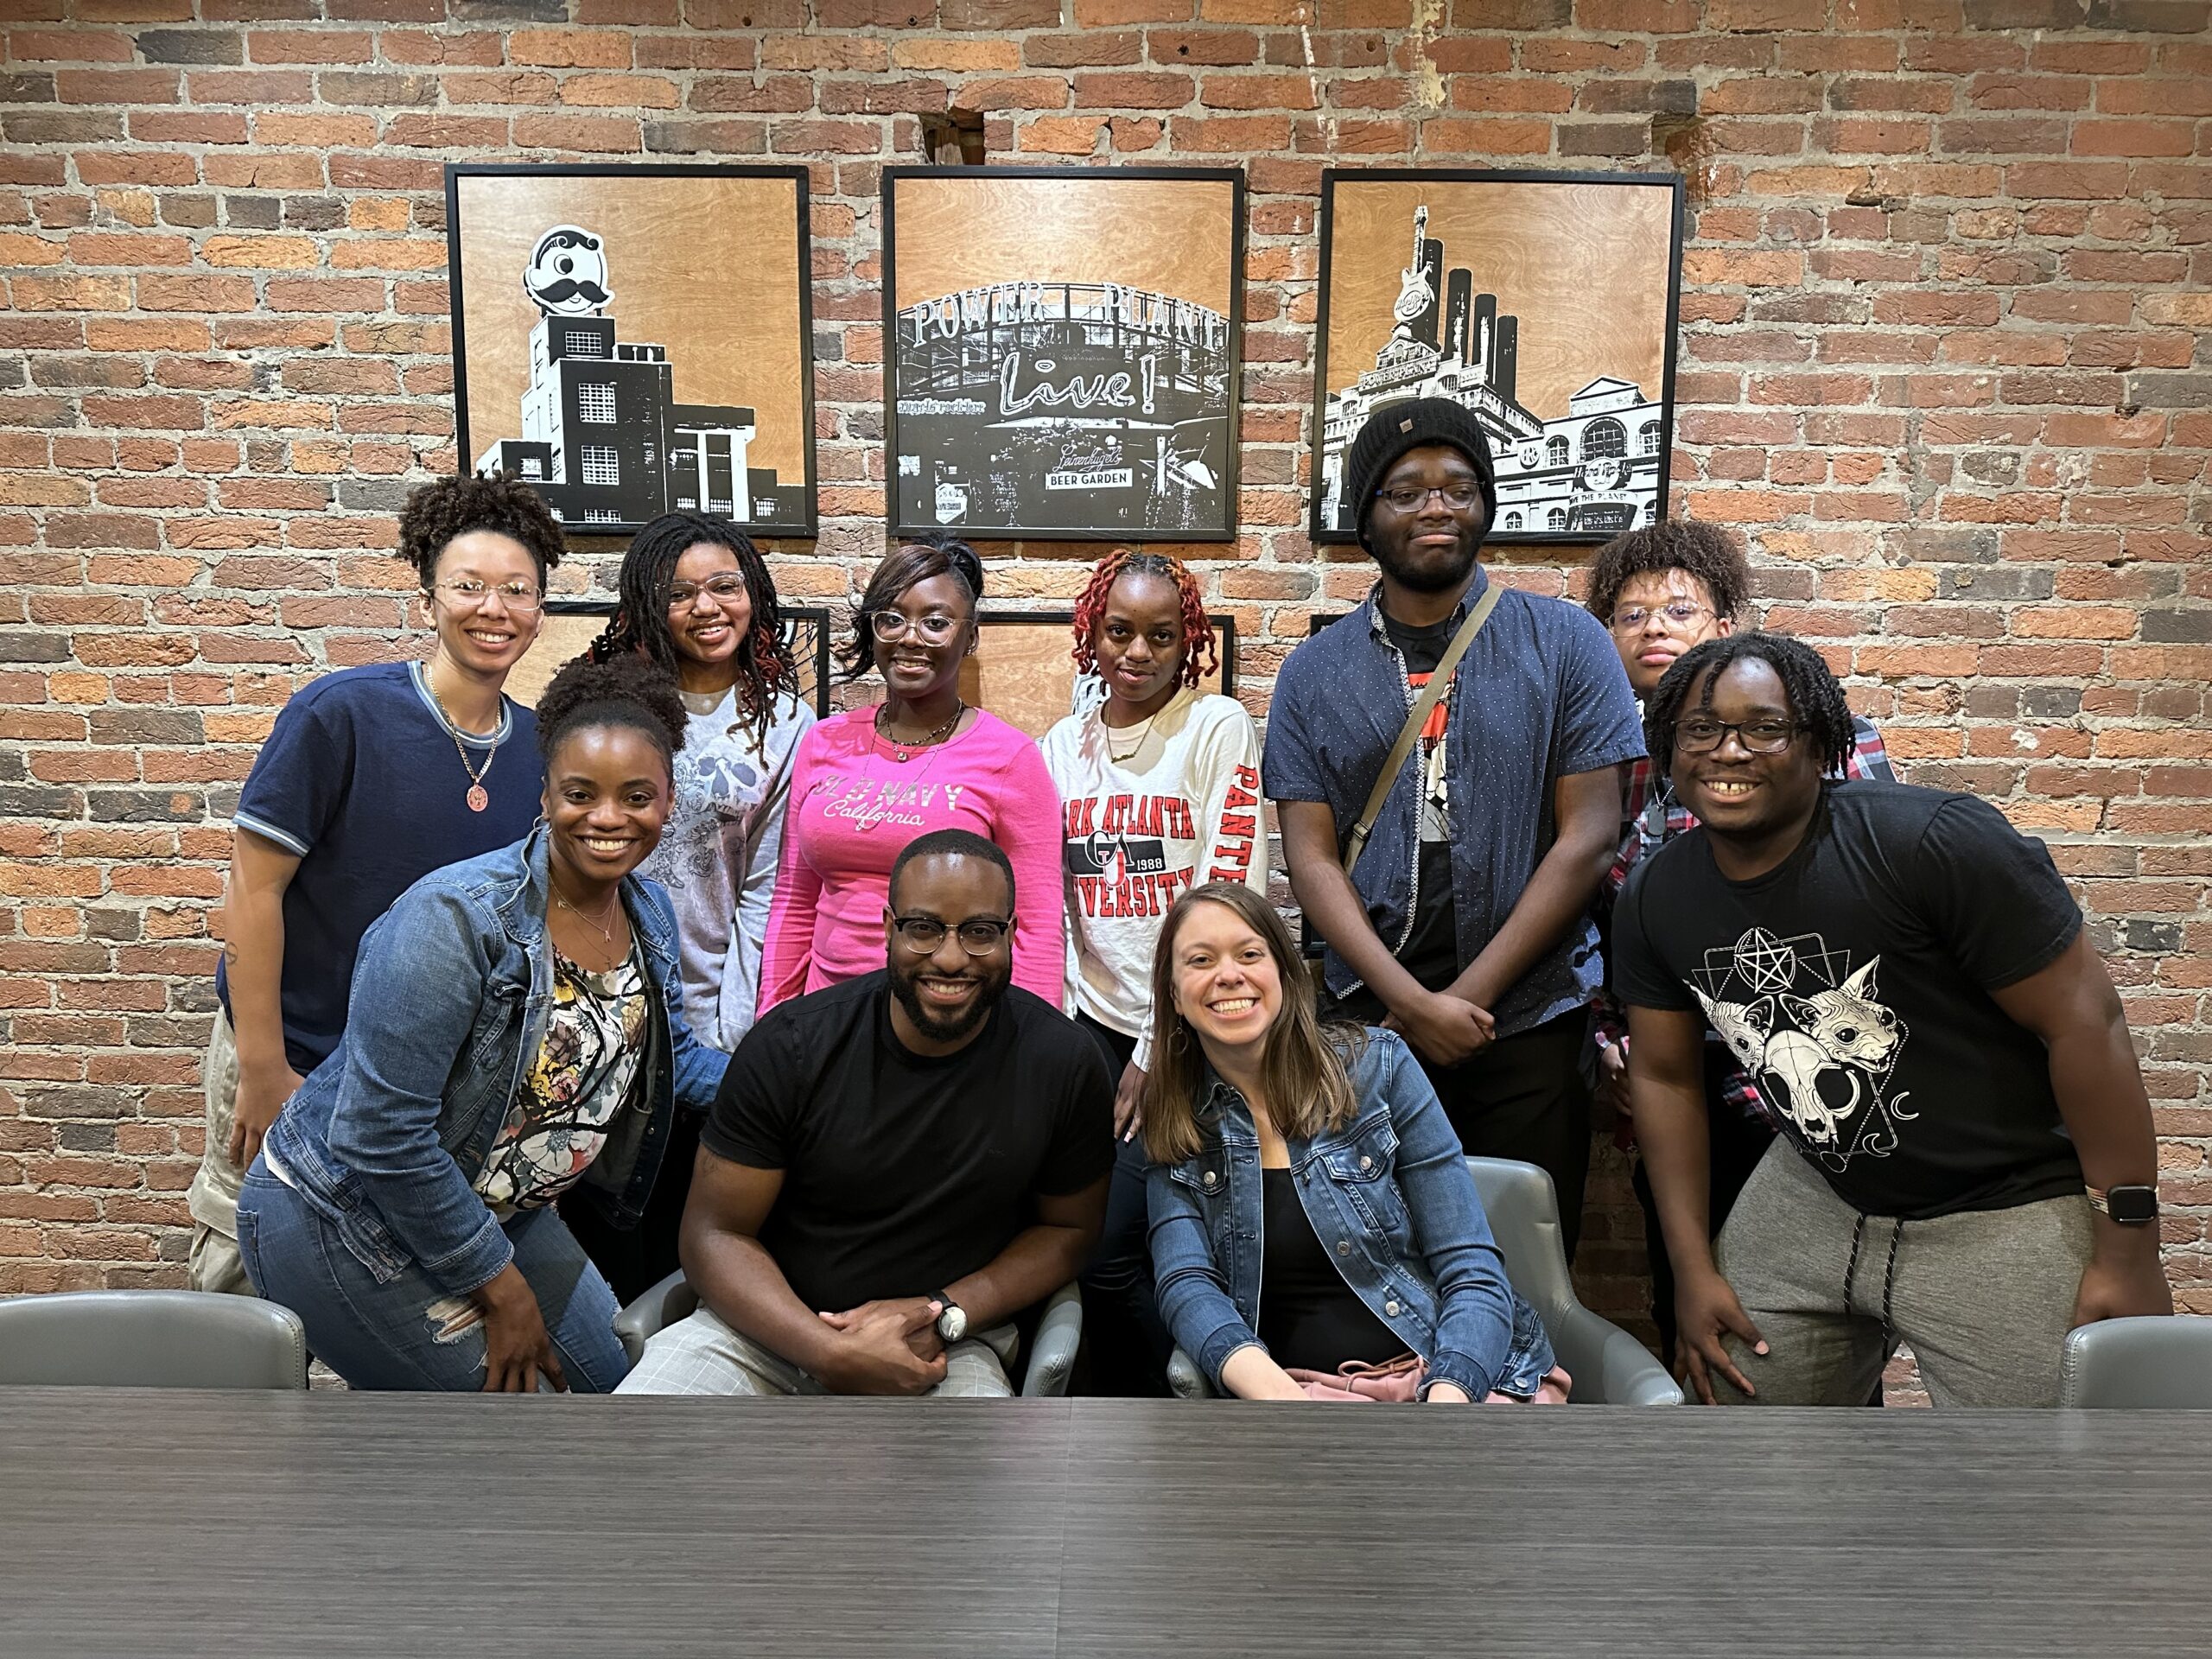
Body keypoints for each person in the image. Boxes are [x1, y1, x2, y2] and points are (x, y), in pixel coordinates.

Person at [1614, 632, 2173, 1408]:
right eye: (1700, 730)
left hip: (2002, 1201)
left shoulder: (1932, 842)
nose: (1727, 752)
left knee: (2045, 1477)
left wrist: (2129, 1250)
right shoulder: (1654, 894)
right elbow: (1664, 1074)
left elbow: (2088, 1026)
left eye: (1764, 728)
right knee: (1735, 1432)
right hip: (1817, 1190)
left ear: (1822, 746)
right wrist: (1692, 1270)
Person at [235, 657, 729, 1390]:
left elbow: (674, 1058)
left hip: (495, 1207)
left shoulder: (646, 912)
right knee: (516, 1436)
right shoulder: (456, 920)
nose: (607, 818)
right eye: (580, 794)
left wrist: (808, 1077)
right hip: (339, 1215)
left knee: (616, 1400)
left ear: (668, 801)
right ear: (544, 796)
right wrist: (500, 1287)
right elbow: (380, 1135)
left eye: (636, 797)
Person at [1264, 397, 1644, 1259]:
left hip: (1529, 1018)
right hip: (1368, 1025)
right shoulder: (1314, 672)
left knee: (1523, 1265)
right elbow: (1310, 859)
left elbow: (1588, 834)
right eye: (1405, 491)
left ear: (1486, 506)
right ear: (1365, 518)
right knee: (1373, 1263)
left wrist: (1463, 1003)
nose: (1436, 506)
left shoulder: (1565, 642)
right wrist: (1409, 1005)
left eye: (1459, 487)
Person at [186, 474, 566, 1296]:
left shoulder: (540, 750)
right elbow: (252, 891)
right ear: (428, 596)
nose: (492, 608)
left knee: (373, 1277)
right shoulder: (341, 713)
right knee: (250, 1254)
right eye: (468, 586)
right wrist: (261, 1063)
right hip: (289, 1039)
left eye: (516, 590)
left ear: (540, 611)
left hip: (409, 1076)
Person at [620, 830, 1113, 1398]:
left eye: (980, 933)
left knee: (983, 1485)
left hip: (945, 1344)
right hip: (762, 1333)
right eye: (923, 928)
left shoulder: (1062, 1062)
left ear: (1011, 934)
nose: (950, 958)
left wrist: (945, 1313)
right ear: (888, 929)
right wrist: (827, 1350)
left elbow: (1069, 1229)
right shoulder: (792, 1047)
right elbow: (714, 1233)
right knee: (634, 1458)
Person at [1583, 518, 1896, 1365]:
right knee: (1689, 1292)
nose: (1651, 628)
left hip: (1812, 1077)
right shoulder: (1607, 765)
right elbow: (1600, 922)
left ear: (1725, 625)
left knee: (1824, 1316)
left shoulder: (1831, 738)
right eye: (1628, 614)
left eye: (1676, 609)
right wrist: (1610, 1041)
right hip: (1673, 1073)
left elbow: (1870, 913)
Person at [1144, 882, 1566, 1403]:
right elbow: (1186, 1285)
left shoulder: (1379, 1068)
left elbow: (1472, 1269)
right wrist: (1282, 1399)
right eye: (1201, 960)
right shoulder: (1174, 1117)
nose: (1229, 975)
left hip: (1453, 1372)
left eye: (1250, 954)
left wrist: (1449, 1398)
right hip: (1300, 1393)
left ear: (1283, 973)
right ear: (1174, 995)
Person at [569, 513, 816, 1298]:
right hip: (608, 997)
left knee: (694, 1230)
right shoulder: (612, 704)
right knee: (602, 1218)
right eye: (679, 593)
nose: (706, 607)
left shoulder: (785, 724)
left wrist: (731, 1028)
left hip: (711, 1008)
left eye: (724, 586)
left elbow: (767, 888)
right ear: (647, 602)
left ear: (753, 594)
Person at [1039, 550, 1265, 1395]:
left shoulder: (1215, 728)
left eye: (1160, 637)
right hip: (1087, 1028)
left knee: (1117, 1253)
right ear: (1091, 634)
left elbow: (1226, 892)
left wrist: (1155, 1043)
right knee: (1081, 1242)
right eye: (1119, 632)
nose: (1137, 652)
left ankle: (1195, 1398)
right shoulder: (1061, 747)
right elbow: (1049, 901)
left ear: (1189, 643)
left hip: (1188, 1037)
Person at [759, 539, 1064, 1011]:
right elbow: (795, 902)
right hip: (827, 1016)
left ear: (971, 636)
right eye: (892, 618)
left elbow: (1037, 926)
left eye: (936, 623)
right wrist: (774, 1019)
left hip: (951, 1019)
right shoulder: (823, 742)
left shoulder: (1010, 758)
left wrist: (1024, 1048)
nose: (910, 637)